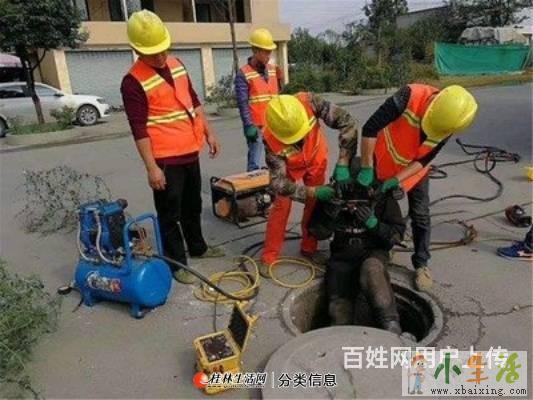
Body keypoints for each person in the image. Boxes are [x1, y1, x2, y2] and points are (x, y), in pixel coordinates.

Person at [121, 10, 224, 284]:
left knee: (193, 205)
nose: (160, 57)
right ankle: (177, 263)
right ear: (137, 50)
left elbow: (193, 101)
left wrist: (209, 133)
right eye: (153, 53)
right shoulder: (132, 82)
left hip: (190, 151)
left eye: (163, 50)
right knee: (169, 214)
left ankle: (198, 247)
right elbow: (138, 128)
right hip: (165, 160)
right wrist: (151, 168)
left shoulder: (177, 64)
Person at [357, 84, 478, 292]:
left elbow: (425, 159)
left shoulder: (448, 123)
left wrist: (398, 181)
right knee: (379, 203)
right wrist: (367, 167)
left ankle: (421, 264)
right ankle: (384, 245)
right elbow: (370, 128)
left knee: (420, 214)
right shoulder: (409, 96)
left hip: (414, 170)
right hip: (384, 159)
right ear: (433, 104)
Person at [260, 92, 359, 276]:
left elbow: (349, 123)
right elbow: (278, 183)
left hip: (315, 160)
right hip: (289, 168)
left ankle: (309, 248)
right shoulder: (270, 138)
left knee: (313, 206)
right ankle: (269, 256)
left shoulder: (311, 102)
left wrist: (344, 161)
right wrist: (312, 191)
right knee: (281, 206)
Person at [324, 167, 405, 335]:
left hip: (372, 252)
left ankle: (391, 324)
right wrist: (329, 212)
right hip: (342, 257)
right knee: (339, 316)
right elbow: (318, 233)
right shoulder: (335, 195)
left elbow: (396, 236)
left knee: (372, 270)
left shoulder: (382, 196)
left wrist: (374, 224)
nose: (353, 204)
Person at [235, 28, 283, 172]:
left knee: (275, 161)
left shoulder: (274, 70)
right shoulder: (243, 74)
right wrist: (248, 125)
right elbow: (242, 103)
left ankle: (274, 183)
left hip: (273, 124)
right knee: (254, 163)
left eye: (270, 52)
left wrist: (281, 81)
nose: (269, 55)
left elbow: (278, 95)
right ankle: (252, 182)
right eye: (266, 52)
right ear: (255, 51)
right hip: (255, 126)